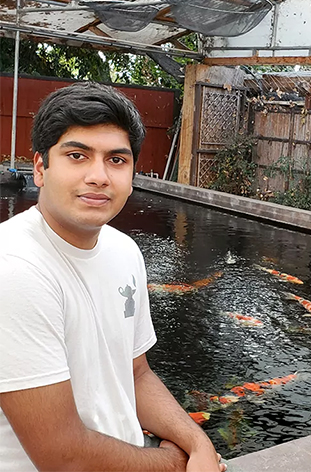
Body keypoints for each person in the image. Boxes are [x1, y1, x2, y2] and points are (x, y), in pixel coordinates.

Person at [0, 82, 226, 472]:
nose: (99, 176)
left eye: (116, 160)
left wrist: (197, 442)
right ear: (40, 168)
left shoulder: (125, 251)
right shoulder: (15, 267)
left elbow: (135, 372)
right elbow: (62, 456)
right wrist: (173, 462)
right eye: (77, 155)